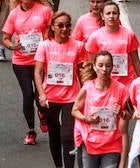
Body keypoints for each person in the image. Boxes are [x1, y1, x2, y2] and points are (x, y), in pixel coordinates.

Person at [2, 0, 55, 145]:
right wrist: (12, 46)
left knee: (41, 94)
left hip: (40, 60)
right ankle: (31, 131)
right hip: (21, 60)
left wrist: (48, 44)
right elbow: (5, 38)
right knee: (27, 94)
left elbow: (52, 31)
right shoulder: (14, 14)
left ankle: (42, 113)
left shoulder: (44, 11)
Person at [35, 11, 87, 168]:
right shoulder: (45, 45)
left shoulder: (78, 46)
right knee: (54, 134)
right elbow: (38, 72)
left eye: (68, 25)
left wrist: (86, 92)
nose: (64, 29)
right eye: (60, 25)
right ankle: (58, 165)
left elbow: (81, 73)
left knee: (67, 136)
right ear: (53, 27)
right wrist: (42, 95)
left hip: (71, 98)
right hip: (50, 98)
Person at [72, 51, 130, 168]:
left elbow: (129, 115)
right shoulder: (87, 87)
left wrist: (121, 112)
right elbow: (74, 110)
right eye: (100, 65)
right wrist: (87, 119)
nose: (104, 69)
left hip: (112, 144)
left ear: (112, 67)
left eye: (108, 66)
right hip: (90, 144)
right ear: (94, 66)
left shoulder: (122, 89)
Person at [84, 1, 140, 87]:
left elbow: (136, 60)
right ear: (102, 16)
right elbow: (91, 64)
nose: (111, 16)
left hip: (127, 83)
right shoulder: (95, 37)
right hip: (105, 83)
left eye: (114, 13)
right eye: (108, 13)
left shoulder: (129, 34)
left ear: (119, 15)